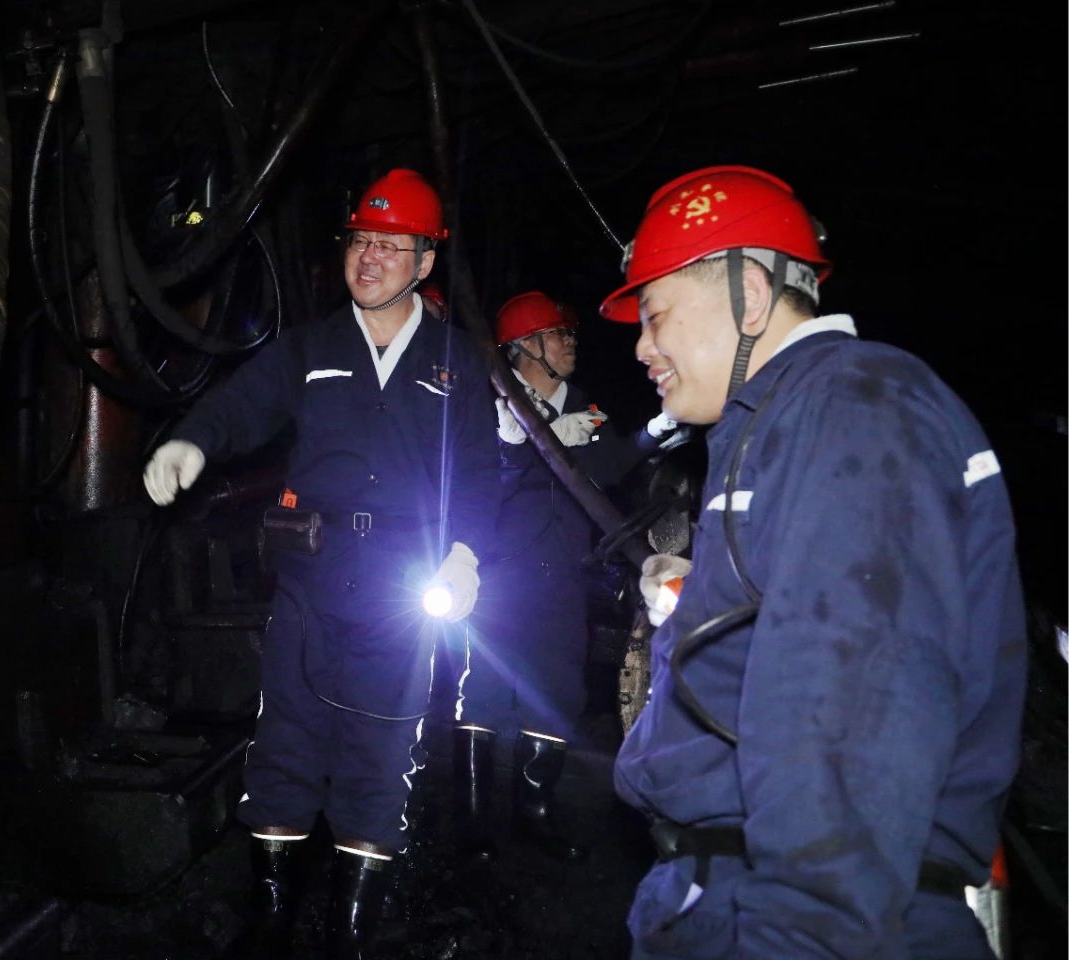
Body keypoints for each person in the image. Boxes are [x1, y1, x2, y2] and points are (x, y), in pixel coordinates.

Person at [598, 164, 1026, 959]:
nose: (642, 346)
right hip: (725, 897)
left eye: (655, 316)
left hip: (790, 917)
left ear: (750, 298)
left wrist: (800, 933)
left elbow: (848, 726)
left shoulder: (857, 407)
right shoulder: (778, 425)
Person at [142, 168, 499, 957]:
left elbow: (479, 468)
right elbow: (242, 404)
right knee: (287, 741)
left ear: (425, 261)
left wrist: (467, 552)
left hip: (405, 583)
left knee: (381, 750)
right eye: (360, 240)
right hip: (310, 574)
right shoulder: (310, 348)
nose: (369, 257)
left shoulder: (455, 362)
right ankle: (270, 922)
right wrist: (192, 439)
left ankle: (351, 931)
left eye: (390, 245)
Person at [451, 290, 630, 863]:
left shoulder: (588, 409)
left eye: (570, 333)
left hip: (563, 575)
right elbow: (475, 485)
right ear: (525, 346)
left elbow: (610, 467)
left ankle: (536, 816)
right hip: (499, 575)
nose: (570, 342)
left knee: (557, 690)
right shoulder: (489, 408)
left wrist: (655, 433)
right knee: (482, 687)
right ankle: (472, 823)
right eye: (558, 334)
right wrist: (518, 446)